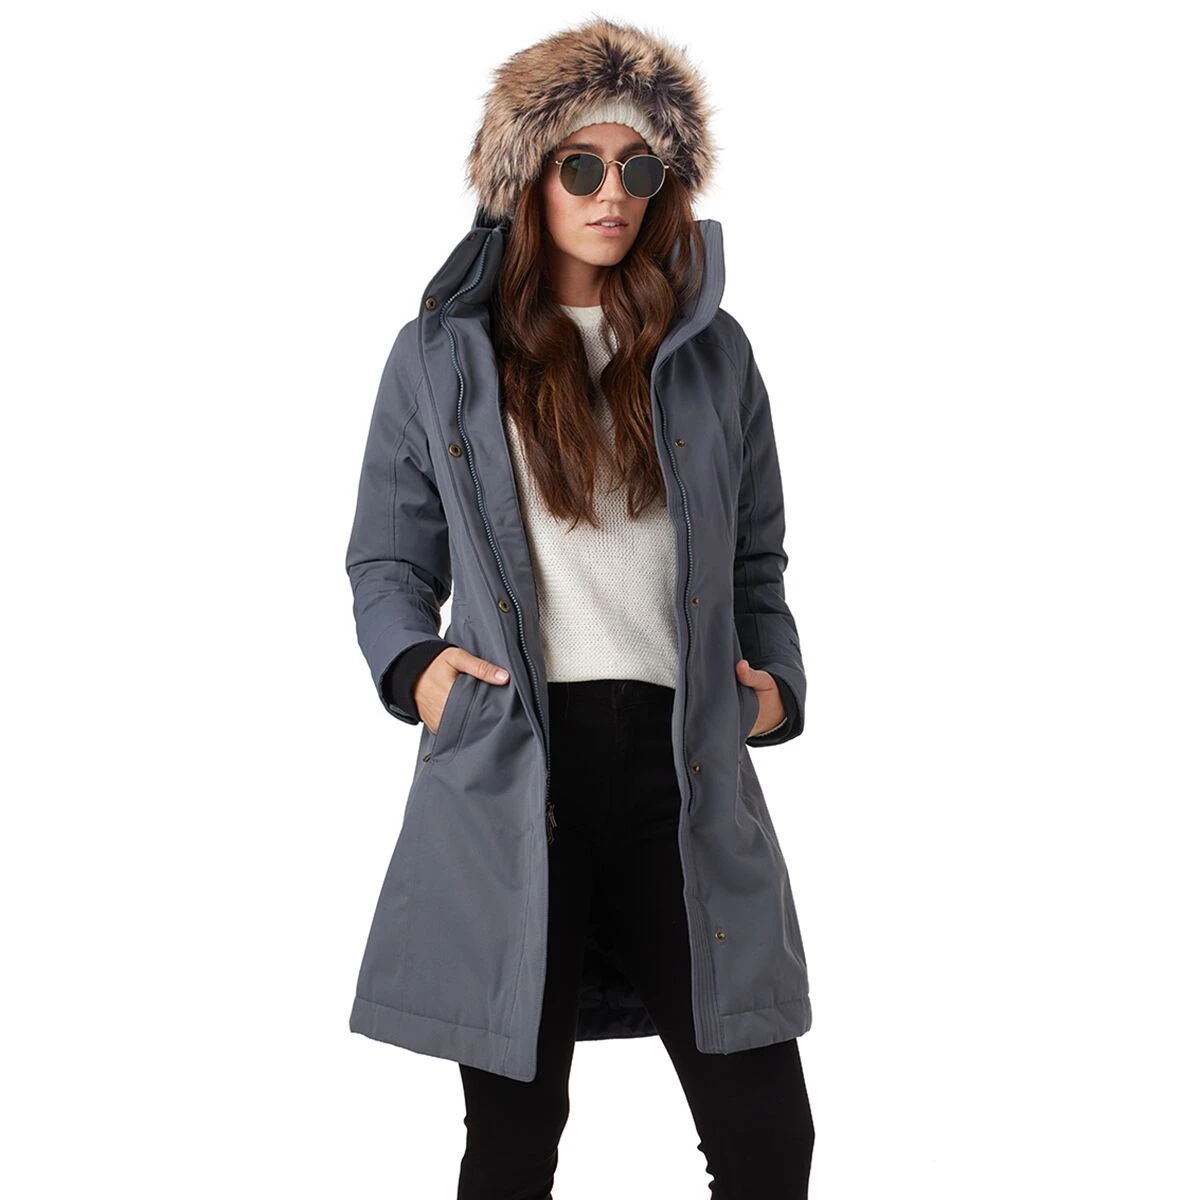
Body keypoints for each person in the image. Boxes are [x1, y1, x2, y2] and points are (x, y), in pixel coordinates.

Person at [345, 17, 815, 1198]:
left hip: (682, 767)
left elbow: (756, 559)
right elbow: (388, 558)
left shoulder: (715, 355)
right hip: (515, 766)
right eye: (583, 166)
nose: (613, 193)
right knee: (515, 1141)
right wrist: (417, 669)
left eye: (639, 169)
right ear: (528, 178)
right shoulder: (440, 357)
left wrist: (773, 687)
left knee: (766, 1134)